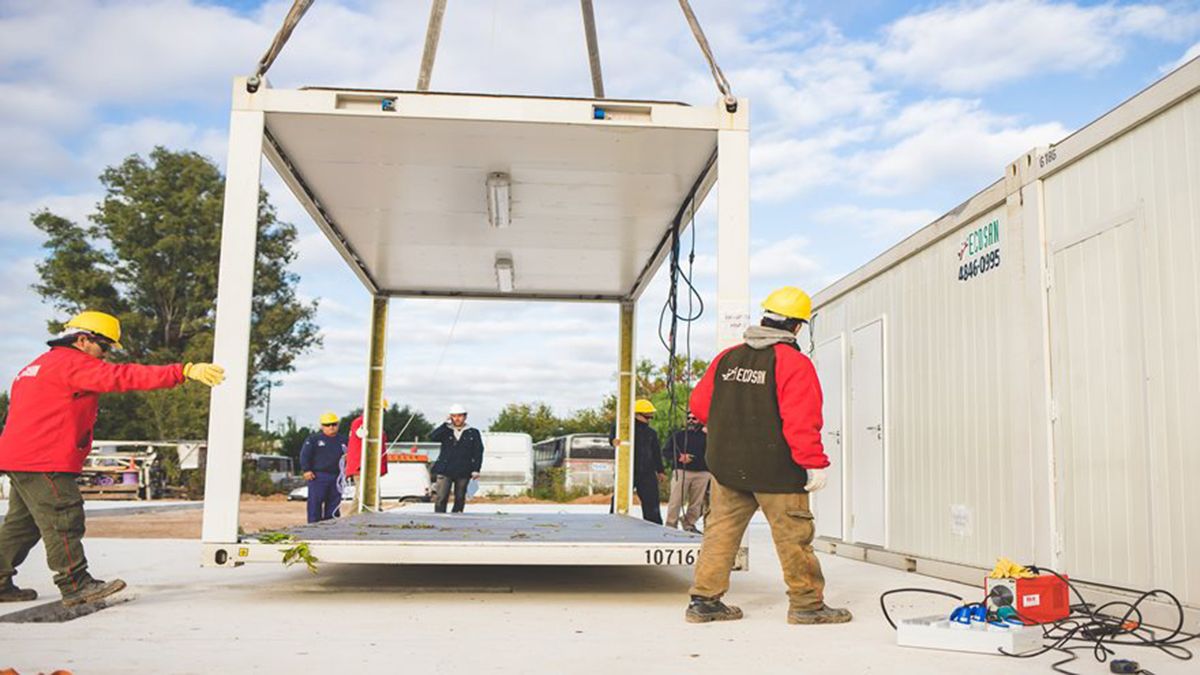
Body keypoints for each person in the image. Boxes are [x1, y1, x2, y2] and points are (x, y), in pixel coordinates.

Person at [0, 311, 225, 606]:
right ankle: (76, 585)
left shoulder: (37, 365)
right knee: (64, 518)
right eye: (104, 347)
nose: (105, 356)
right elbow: (123, 377)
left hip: (21, 457)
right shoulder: (72, 364)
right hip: (45, 460)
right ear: (82, 340)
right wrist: (182, 371)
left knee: (22, 525)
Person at [684, 287, 852, 626]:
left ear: (764, 319)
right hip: (777, 470)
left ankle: (704, 602)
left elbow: (699, 406)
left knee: (720, 532)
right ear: (797, 327)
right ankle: (807, 605)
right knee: (794, 537)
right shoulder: (793, 363)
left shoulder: (726, 358)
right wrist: (813, 462)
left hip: (728, 468)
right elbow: (801, 420)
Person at [609, 399, 665, 525]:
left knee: (651, 501)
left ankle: (654, 525)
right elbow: (613, 438)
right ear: (636, 414)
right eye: (647, 417)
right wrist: (614, 441)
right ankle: (613, 522)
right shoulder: (623, 429)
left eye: (651, 417)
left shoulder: (651, 433)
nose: (649, 420)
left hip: (647, 472)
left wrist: (660, 470)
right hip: (627, 470)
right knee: (620, 498)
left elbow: (656, 453)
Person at [429, 404, 483, 513]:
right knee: (441, 497)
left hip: (464, 469)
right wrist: (445, 424)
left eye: (460, 416)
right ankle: (439, 519)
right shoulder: (446, 431)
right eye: (454, 416)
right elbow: (433, 437)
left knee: (459, 497)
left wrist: (476, 469)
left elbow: (478, 451)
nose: (457, 418)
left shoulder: (473, 432)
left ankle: (457, 520)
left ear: (465, 417)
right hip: (445, 469)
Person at [663, 413, 710, 533]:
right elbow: (666, 452)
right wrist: (679, 457)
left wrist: (694, 458)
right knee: (676, 500)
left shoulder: (708, 437)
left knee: (696, 502)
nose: (690, 421)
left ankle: (689, 524)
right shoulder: (678, 435)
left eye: (694, 418)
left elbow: (712, 455)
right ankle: (670, 525)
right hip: (682, 471)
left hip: (702, 472)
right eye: (688, 418)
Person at [300, 413, 348, 523]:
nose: (331, 427)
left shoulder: (344, 440)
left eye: (334, 424)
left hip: (337, 476)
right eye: (327, 425)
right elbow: (305, 455)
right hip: (318, 476)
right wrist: (306, 469)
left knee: (334, 504)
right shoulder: (314, 439)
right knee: (315, 503)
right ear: (322, 426)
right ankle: (313, 526)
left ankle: (331, 525)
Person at [345, 399, 389, 482]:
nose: (381, 413)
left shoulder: (376, 425)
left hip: (371, 468)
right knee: (362, 493)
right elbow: (361, 434)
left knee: (374, 493)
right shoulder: (360, 422)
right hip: (361, 467)